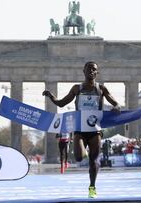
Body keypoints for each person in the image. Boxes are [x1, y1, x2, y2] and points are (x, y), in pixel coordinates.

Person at [43, 61, 120, 198]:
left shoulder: (101, 89)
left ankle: (92, 186)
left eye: (94, 69)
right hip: (79, 129)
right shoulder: (76, 89)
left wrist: (116, 107)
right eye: (88, 69)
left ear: (97, 72)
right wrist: (51, 96)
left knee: (94, 160)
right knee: (78, 157)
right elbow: (61, 103)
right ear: (83, 71)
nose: (91, 71)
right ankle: (83, 152)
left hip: (95, 130)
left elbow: (116, 103)